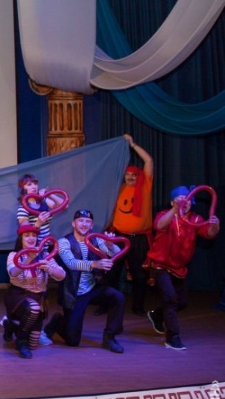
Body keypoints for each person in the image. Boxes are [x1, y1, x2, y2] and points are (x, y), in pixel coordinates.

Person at [144, 186, 220, 350]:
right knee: (170, 298)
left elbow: (209, 233)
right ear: (172, 202)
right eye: (180, 200)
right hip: (160, 265)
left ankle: (157, 315)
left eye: (187, 200)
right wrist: (174, 210)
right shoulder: (164, 215)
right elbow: (159, 226)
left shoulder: (195, 219)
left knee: (182, 301)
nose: (184, 203)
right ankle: (172, 338)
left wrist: (215, 226)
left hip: (178, 268)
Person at [43, 209, 126, 353]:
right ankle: (58, 321)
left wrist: (110, 246)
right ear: (73, 223)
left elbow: (117, 253)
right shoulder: (64, 242)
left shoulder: (96, 239)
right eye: (80, 221)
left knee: (117, 297)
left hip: (92, 288)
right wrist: (94, 264)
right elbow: (71, 263)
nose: (84, 224)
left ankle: (110, 337)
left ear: (91, 225)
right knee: (72, 341)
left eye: (88, 221)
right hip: (73, 293)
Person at [105, 135, 154, 316]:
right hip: (118, 237)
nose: (131, 177)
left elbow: (149, 161)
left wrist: (133, 145)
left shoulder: (145, 186)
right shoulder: (118, 189)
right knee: (111, 273)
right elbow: (112, 213)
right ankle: (106, 304)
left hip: (138, 239)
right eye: (128, 174)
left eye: (134, 175)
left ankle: (138, 307)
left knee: (139, 275)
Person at [3, 224, 66, 358]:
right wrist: (29, 258)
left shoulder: (45, 255)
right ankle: (21, 342)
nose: (31, 238)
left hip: (38, 297)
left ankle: (11, 326)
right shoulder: (14, 255)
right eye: (27, 236)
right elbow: (13, 273)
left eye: (34, 235)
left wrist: (50, 269)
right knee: (33, 308)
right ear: (21, 239)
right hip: (18, 296)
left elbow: (62, 275)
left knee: (33, 344)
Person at [15, 174, 66, 242]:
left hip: (47, 243)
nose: (34, 187)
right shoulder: (23, 208)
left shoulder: (43, 201)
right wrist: (38, 224)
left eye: (35, 184)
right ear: (23, 188)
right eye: (29, 184)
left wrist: (49, 194)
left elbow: (64, 205)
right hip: (34, 245)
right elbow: (25, 232)